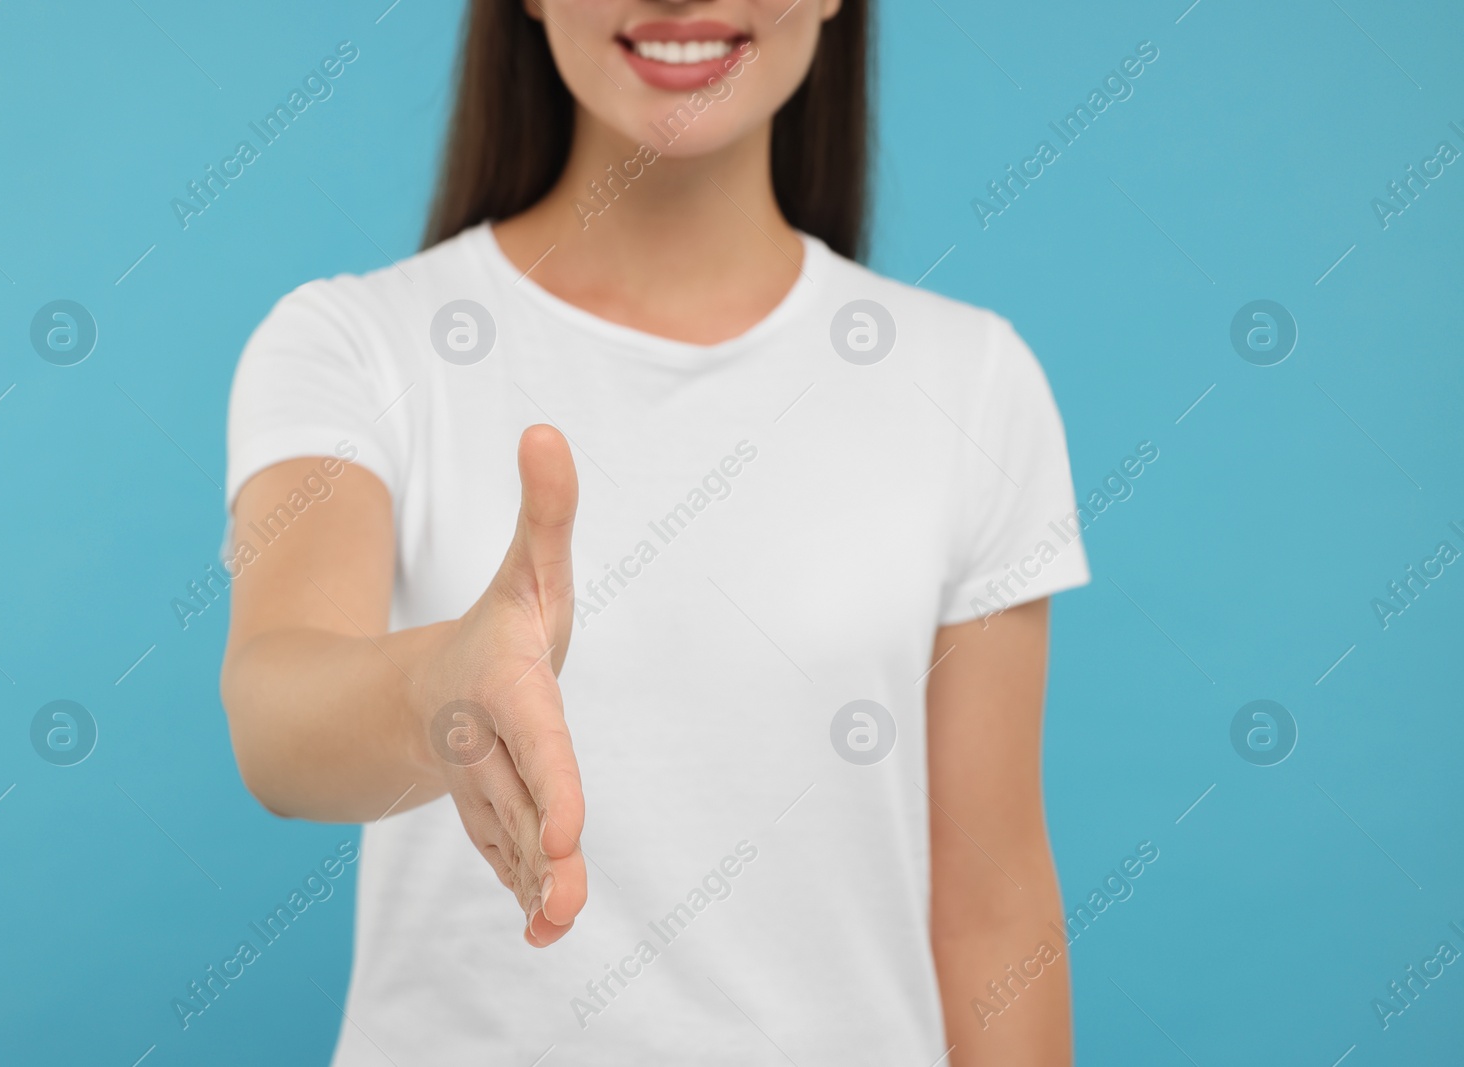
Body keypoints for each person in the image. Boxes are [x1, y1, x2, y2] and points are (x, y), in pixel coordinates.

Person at [221, 1, 1089, 1062]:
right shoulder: (355, 345)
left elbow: (991, 906)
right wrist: (437, 686)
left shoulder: (972, 381)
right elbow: (274, 708)